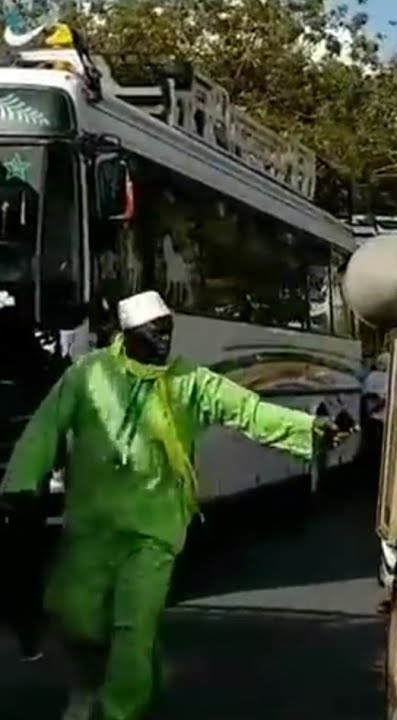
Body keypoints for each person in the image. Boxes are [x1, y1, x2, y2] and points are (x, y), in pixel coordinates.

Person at [0, 290, 349, 720]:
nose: (165, 341)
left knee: (133, 629)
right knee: (73, 613)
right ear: (127, 335)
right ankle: (92, 683)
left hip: (154, 530)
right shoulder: (87, 376)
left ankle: (118, 708)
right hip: (91, 525)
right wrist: (20, 484)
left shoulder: (190, 381)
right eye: (154, 333)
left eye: (168, 331)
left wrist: (312, 428)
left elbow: (250, 411)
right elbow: (44, 429)